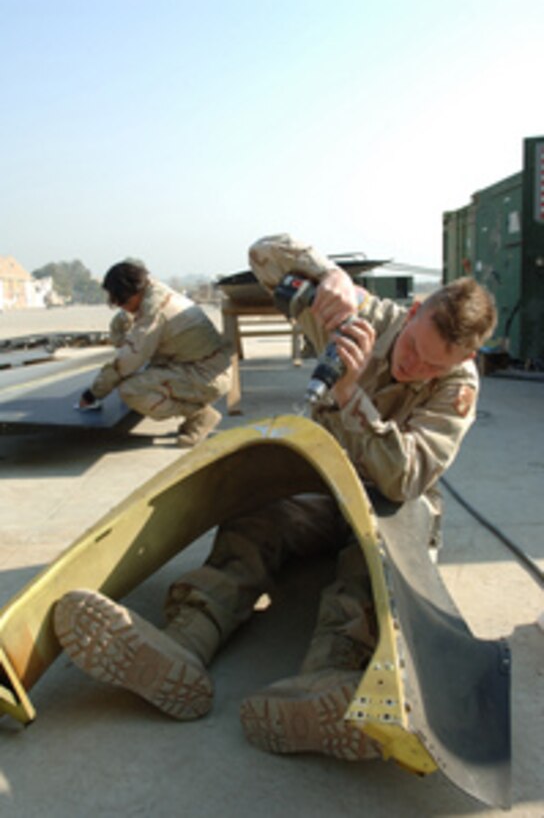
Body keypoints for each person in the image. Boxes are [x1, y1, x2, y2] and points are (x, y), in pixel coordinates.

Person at [54, 234, 497, 759]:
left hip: (386, 505)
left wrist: (350, 395)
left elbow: (405, 477)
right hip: (319, 485)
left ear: (465, 358)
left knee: (370, 565)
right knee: (256, 520)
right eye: (412, 348)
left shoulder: (458, 386)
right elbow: (264, 257)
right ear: (414, 311)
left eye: (432, 366)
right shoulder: (362, 316)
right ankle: (184, 643)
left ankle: (327, 684)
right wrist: (328, 275)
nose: (412, 368)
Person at [77, 260, 232, 446]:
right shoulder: (156, 292)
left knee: (131, 390)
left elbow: (126, 362)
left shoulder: (154, 311)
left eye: (123, 301)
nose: (121, 307)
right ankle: (195, 413)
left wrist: (93, 394)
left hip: (207, 377)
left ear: (134, 292)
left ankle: (199, 415)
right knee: (139, 369)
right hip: (205, 366)